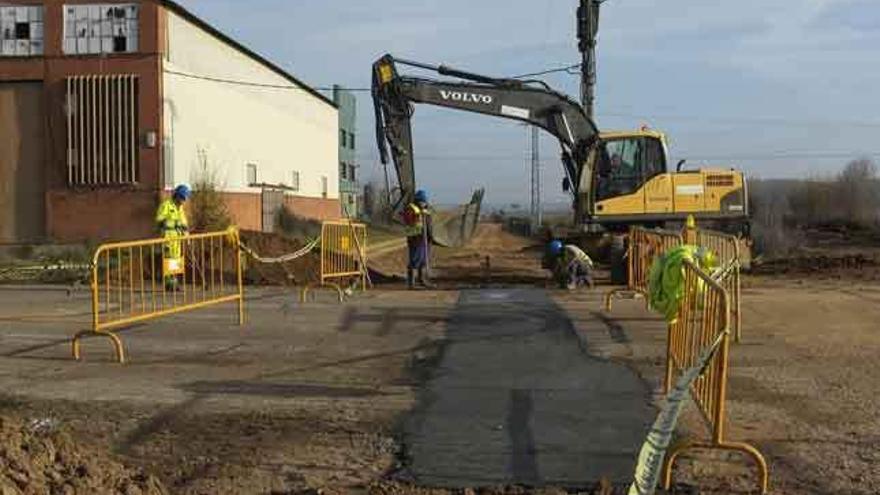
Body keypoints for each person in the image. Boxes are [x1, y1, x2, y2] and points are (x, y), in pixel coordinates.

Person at [156, 184, 191, 290]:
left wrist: (186, 232)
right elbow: (160, 220)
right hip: (168, 237)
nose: (184, 201)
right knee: (169, 260)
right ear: (177, 196)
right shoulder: (166, 205)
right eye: (183, 198)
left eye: (185, 198)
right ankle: (169, 283)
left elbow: (183, 222)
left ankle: (174, 282)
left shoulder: (179, 208)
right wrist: (175, 223)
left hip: (177, 239)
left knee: (176, 260)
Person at [402, 189, 433, 289]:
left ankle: (421, 279)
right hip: (415, 238)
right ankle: (411, 283)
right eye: (422, 201)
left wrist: (430, 236)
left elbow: (429, 223)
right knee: (415, 260)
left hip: (424, 239)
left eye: (424, 202)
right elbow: (409, 220)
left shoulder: (425, 210)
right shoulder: (411, 209)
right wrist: (418, 215)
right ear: (418, 200)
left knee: (423, 260)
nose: (423, 203)